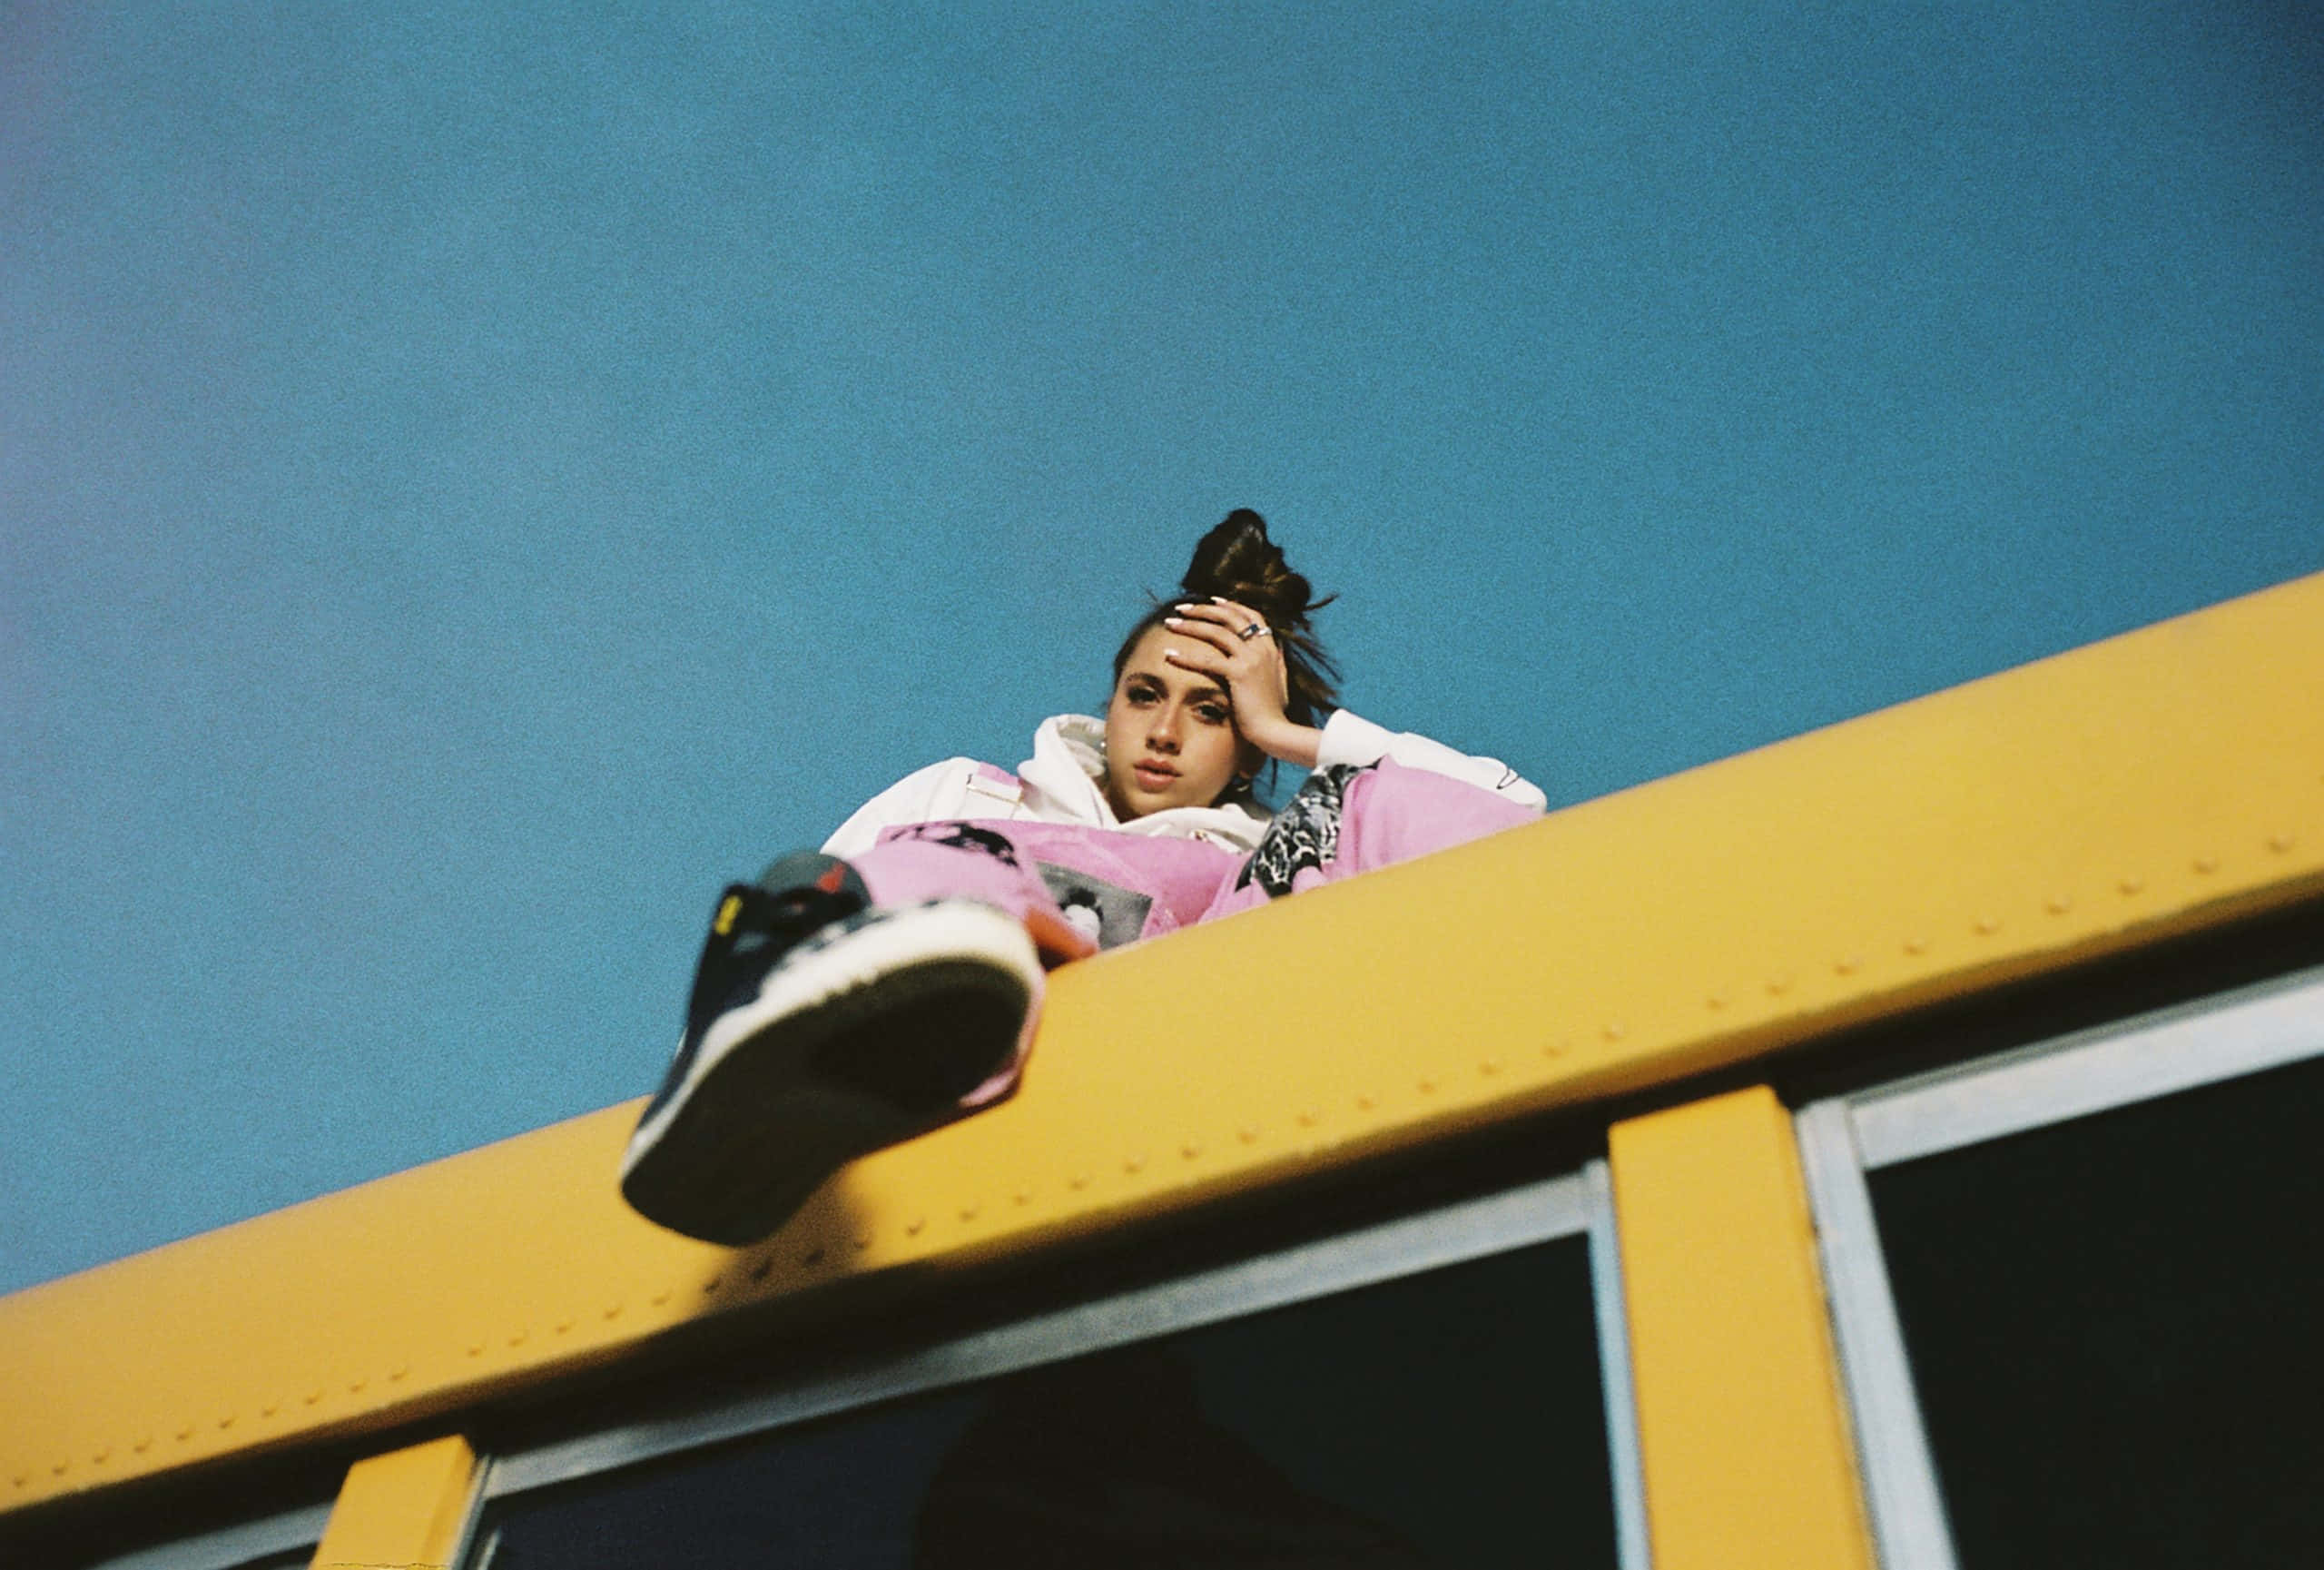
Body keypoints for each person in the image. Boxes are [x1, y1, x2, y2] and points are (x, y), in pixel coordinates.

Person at [620, 510, 1547, 1244]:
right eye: (1145, 694)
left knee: (1366, 800)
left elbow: (1505, 812)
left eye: (1211, 711)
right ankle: (829, 1060)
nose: (1165, 732)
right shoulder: (973, 792)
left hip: (1153, 1071)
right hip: (938, 1051)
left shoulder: (1255, 858)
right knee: (964, 865)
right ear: (1108, 704)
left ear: (1244, 748)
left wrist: (1291, 733)